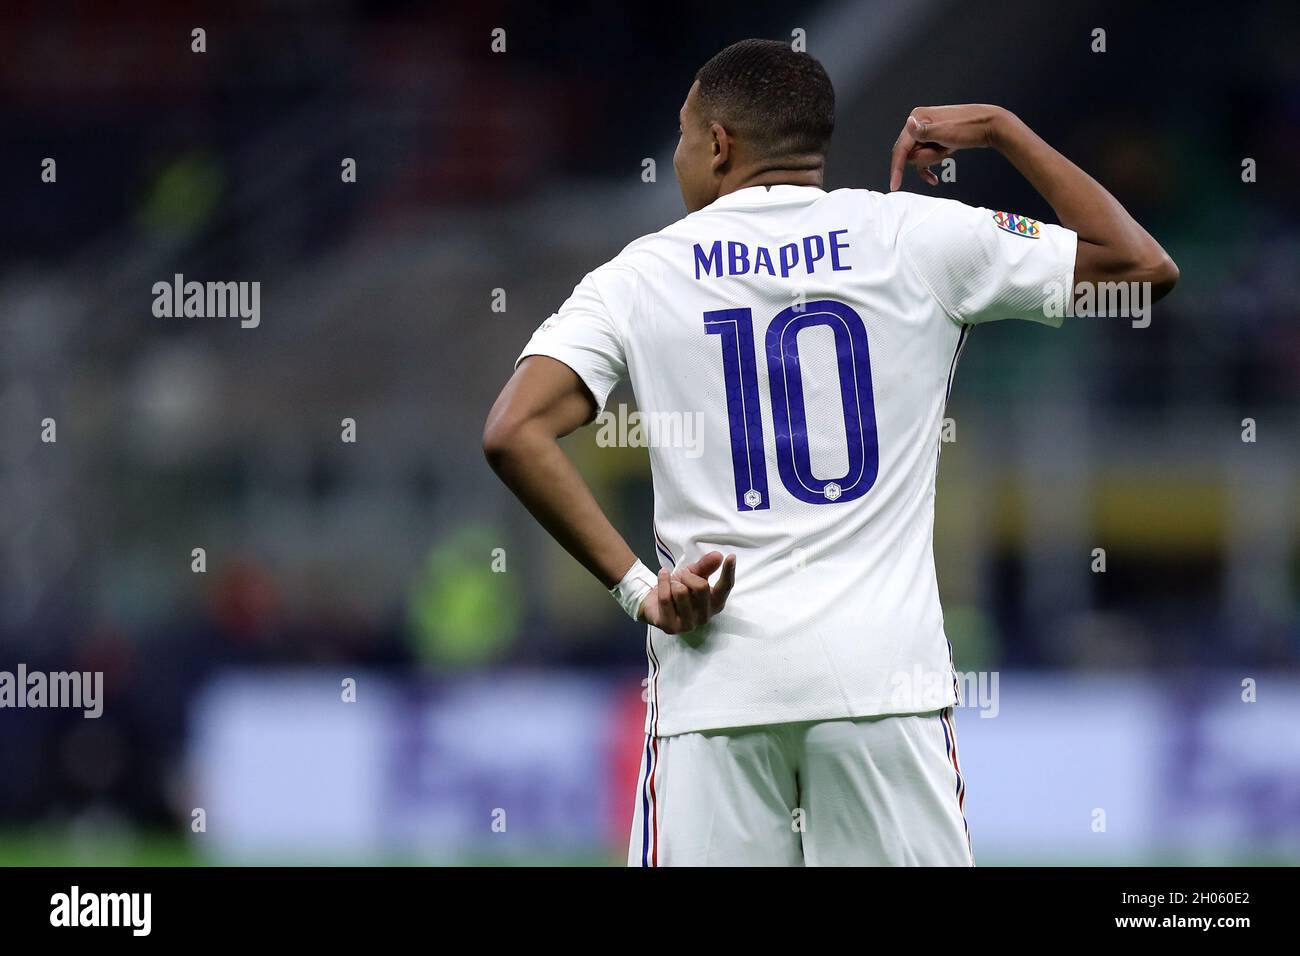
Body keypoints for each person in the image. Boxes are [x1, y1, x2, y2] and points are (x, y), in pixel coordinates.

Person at [483, 38, 1177, 866]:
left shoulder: (639, 274)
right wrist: (1000, 130)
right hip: (884, 689)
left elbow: (513, 431)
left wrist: (640, 590)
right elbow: (1141, 266)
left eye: (679, 135)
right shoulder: (913, 236)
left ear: (717, 144)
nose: (675, 157)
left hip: (716, 697)